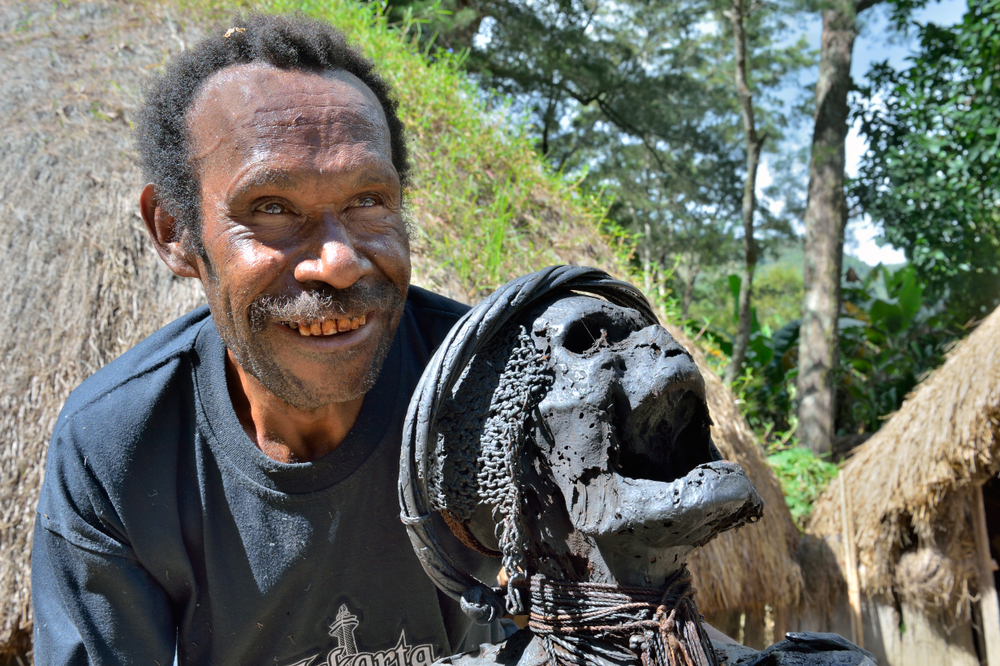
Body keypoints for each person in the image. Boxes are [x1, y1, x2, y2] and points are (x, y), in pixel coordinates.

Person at [31, 12, 503, 666]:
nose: (339, 263)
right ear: (174, 232)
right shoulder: (117, 452)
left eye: (368, 200)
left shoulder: (494, 393)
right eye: (272, 208)